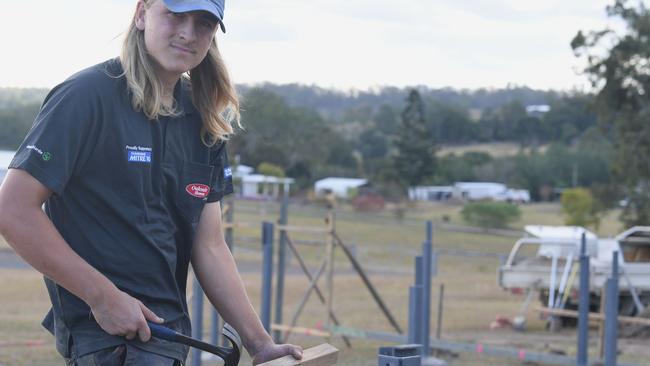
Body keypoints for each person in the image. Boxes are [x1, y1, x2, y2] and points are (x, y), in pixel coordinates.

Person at [0, 0, 303, 364]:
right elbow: (13, 210)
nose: (188, 33)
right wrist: (103, 297)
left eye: (204, 23)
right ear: (142, 14)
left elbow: (208, 245)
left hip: (168, 338)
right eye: (175, 14)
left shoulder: (204, 119)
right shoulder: (86, 96)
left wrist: (259, 343)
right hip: (111, 340)